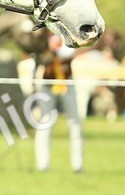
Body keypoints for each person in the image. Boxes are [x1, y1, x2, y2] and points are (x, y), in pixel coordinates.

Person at [31, 29, 85, 172]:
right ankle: (42, 165)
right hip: (47, 83)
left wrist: (56, 49)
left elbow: (70, 52)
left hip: (66, 82)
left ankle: (78, 165)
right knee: (45, 122)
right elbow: (40, 55)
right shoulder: (42, 35)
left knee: (75, 122)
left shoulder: (69, 30)